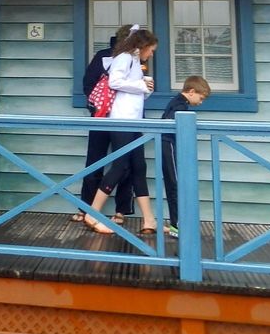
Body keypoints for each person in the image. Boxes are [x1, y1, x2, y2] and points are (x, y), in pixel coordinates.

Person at [83, 28, 159, 235]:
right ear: (142, 46)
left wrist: (146, 89)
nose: (151, 54)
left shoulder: (135, 62)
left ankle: (149, 219)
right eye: (151, 50)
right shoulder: (123, 58)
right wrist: (140, 84)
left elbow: (133, 93)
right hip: (121, 120)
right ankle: (92, 213)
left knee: (139, 166)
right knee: (120, 166)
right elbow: (115, 82)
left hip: (133, 120)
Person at [72, 24, 135, 224]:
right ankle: (86, 207)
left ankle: (122, 210)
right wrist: (98, 107)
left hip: (125, 118)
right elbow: (88, 84)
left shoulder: (136, 60)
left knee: (125, 163)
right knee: (95, 161)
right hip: (101, 117)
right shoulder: (103, 56)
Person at [160, 74, 211, 237]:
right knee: (175, 185)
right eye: (201, 98)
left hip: (170, 146)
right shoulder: (179, 106)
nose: (200, 102)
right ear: (191, 91)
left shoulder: (178, 102)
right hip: (170, 146)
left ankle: (176, 224)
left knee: (173, 184)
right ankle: (178, 226)